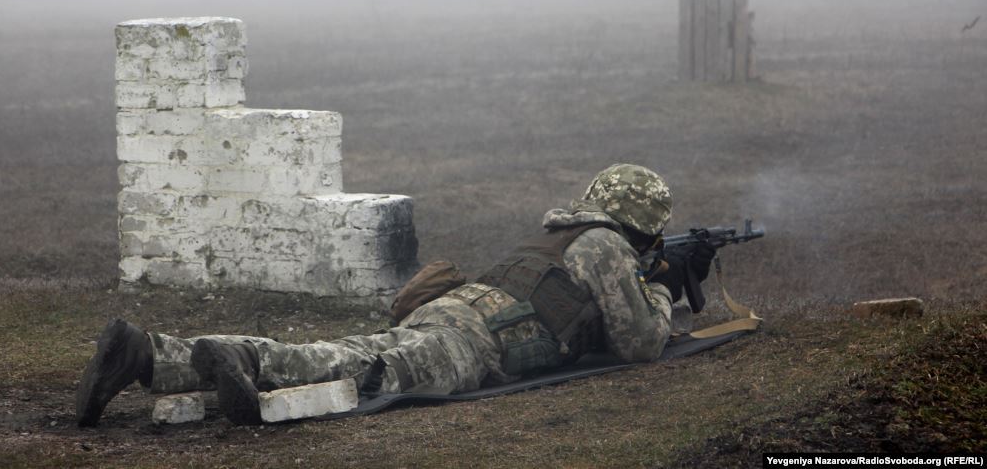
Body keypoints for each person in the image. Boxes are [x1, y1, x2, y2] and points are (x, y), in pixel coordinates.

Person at [76, 164, 715, 427]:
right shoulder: (607, 248)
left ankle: (150, 354)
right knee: (361, 365)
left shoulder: (568, 232)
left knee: (357, 349)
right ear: (641, 221)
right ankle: (242, 360)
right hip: (474, 341)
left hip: (455, 312)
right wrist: (660, 291)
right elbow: (639, 345)